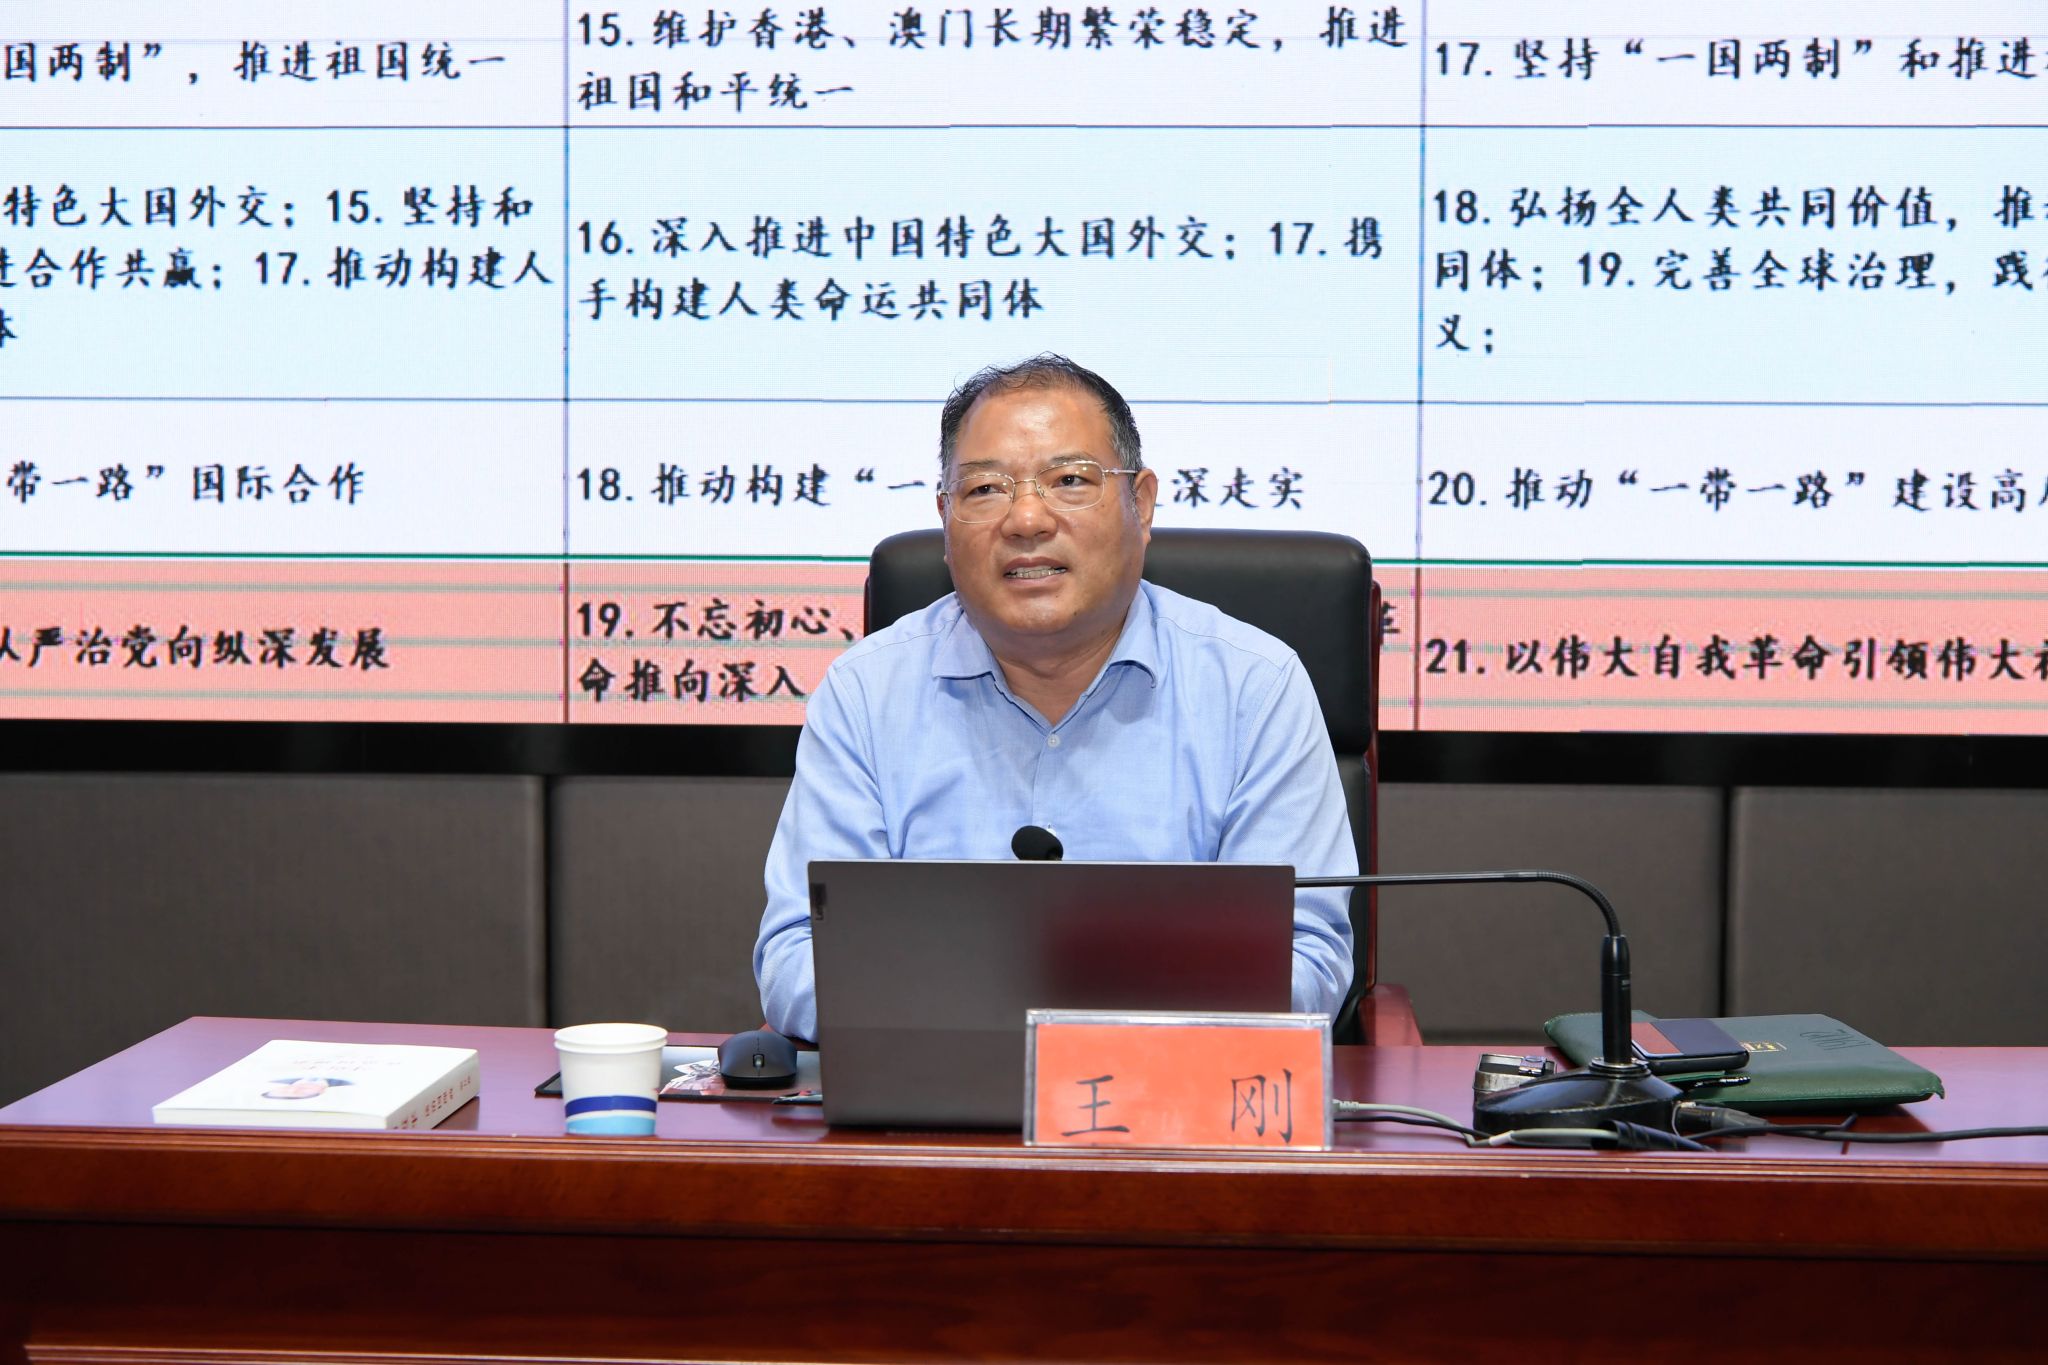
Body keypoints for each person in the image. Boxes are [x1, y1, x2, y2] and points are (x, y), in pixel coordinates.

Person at [753, 355, 1356, 1041]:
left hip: (1177, 1096)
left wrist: (1063, 1022)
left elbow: (1303, 959)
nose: (1026, 519)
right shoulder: (867, 692)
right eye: (985, 489)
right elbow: (798, 956)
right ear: (946, 518)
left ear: (1142, 503)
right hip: (931, 1096)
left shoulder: (1254, 687)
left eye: (1070, 480)